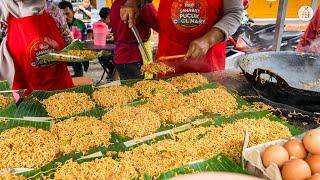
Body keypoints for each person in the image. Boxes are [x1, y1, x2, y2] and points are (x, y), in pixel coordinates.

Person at [120, 0, 243, 75]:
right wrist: (132, 2)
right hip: (168, 58)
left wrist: (208, 40)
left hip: (208, 59)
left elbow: (234, 14)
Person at [0, 0, 74, 95]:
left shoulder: (53, 11)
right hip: (25, 95)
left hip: (60, 91)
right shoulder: (3, 13)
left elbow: (68, 42)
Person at [110, 0, 159, 80]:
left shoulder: (116, 4)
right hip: (133, 57)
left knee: (127, 87)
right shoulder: (141, 2)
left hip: (119, 56)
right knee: (138, 89)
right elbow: (159, 25)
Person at [59, 1, 89, 77]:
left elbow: (85, 42)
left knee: (77, 58)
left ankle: (79, 78)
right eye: (62, 15)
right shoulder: (56, 26)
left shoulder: (80, 24)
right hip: (61, 56)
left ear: (73, 12)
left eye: (67, 13)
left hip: (76, 55)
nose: (65, 17)